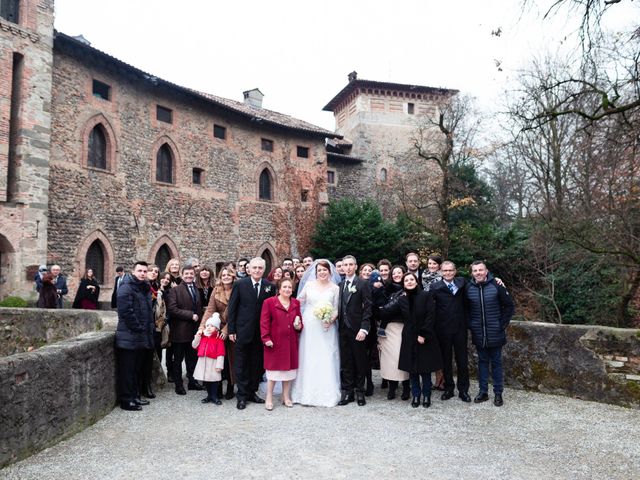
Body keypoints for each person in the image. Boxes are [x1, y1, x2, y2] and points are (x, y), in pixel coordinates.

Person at [383, 272, 442, 408]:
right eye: (406, 281)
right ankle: (416, 395)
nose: (409, 282)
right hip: (409, 337)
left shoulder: (426, 296)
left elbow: (431, 316)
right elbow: (388, 311)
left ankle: (426, 395)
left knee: (425, 369)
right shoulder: (402, 299)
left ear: (416, 281)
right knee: (412, 369)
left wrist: (423, 334)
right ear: (403, 284)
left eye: (411, 279)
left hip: (425, 336)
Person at [291, 259, 342, 407]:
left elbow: (337, 308)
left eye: (325, 270)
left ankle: (327, 393)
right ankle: (304, 392)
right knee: (309, 355)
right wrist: (296, 318)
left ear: (330, 272)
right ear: (315, 272)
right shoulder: (308, 285)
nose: (322, 272)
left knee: (326, 356)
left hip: (326, 327)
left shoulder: (335, 288)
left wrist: (330, 320)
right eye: (319, 270)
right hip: (310, 325)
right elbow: (297, 303)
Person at [227, 257, 276, 410]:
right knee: (241, 364)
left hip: (260, 333)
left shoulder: (269, 287)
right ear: (249, 269)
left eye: (260, 268)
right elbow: (232, 308)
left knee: (256, 364)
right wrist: (232, 330)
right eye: (254, 268)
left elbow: (271, 312)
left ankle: (252, 392)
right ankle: (241, 396)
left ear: (264, 269)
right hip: (242, 331)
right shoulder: (240, 284)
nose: (257, 270)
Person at [466, 260, 515, 407]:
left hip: (495, 331)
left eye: (481, 270)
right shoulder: (468, 288)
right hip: (478, 333)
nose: (478, 273)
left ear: (486, 271)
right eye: (475, 271)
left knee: (496, 363)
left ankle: (498, 393)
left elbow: (509, 306)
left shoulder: (496, 285)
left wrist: (502, 324)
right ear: (472, 273)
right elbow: (465, 309)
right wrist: (471, 324)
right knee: (482, 363)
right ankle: (483, 392)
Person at [115, 261, 154, 411]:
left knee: (136, 369)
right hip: (129, 337)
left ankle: (135, 397)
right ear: (133, 272)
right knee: (127, 370)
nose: (143, 273)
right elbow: (125, 311)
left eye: (145, 271)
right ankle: (126, 400)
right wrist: (138, 328)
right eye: (140, 271)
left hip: (141, 337)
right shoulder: (126, 287)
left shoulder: (144, 288)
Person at [429, 261, 471, 402]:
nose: (448, 273)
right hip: (443, 330)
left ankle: (463, 390)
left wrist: (495, 279)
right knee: (446, 361)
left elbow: (479, 281)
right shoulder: (435, 287)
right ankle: (449, 388)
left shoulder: (462, 283)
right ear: (441, 272)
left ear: (455, 271)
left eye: (450, 270)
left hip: (460, 329)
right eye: (445, 270)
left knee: (462, 361)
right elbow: (429, 308)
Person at [261, 278, 303, 410]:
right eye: (284, 287)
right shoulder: (269, 302)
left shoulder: (296, 303)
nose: (287, 289)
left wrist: (298, 326)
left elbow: (299, 322)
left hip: (290, 342)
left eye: (289, 287)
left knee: (288, 373)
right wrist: (266, 338)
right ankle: (269, 397)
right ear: (279, 289)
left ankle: (286, 396)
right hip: (274, 342)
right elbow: (264, 322)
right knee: (273, 373)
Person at [337, 255, 372, 406]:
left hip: (357, 329)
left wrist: (364, 328)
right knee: (346, 362)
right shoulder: (340, 285)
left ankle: (360, 392)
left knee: (360, 361)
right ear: (342, 267)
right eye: (346, 265)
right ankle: (347, 392)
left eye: (351, 264)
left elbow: (368, 308)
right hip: (343, 329)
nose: (348, 267)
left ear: (356, 266)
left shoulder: (363, 283)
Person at [166, 264, 203, 395]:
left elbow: (199, 309)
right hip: (180, 332)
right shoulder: (175, 291)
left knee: (192, 359)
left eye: (191, 274)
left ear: (194, 275)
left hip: (194, 331)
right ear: (182, 275)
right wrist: (190, 315)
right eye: (186, 273)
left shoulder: (197, 290)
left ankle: (192, 382)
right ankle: (178, 385)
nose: (189, 276)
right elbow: (172, 309)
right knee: (178, 360)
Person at [202, 265, 237, 400]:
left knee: (231, 360)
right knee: (216, 359)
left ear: (233, 276)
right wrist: (202, 328)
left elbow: (239, 312)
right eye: (223, 275)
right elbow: (210, 310)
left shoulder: (238, 289)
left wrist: (227, 329)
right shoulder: (216, 290)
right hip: (218, 328)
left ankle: (230, 386)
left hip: (233, 327)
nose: (226, 277)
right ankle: (215, 389)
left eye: (228, 274)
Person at [377, 265, 410, 401]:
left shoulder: (407, 289)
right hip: (387, 327)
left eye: (399, 273)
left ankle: (406, 386)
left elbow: (387, 309)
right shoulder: (386, 287)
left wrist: (385, 309)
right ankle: (392, 386)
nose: (396, 275)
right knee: (388, 359)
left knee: (401, 356)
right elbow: (379, 307)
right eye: (394, 273)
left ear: (404, 274)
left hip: (401, 325)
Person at [192, 314, 225, 405]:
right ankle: (209, 395)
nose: (209, 328)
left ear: (217, 328)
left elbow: (221, 353)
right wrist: (197, 336)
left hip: (213, 362)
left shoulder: (218, 339)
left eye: (212, 326)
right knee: (206, 380)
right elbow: (194, 345)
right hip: (203, 361)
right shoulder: (203, 337)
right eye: (207, 326)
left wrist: (219, 365)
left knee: (214, 380)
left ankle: (214, 396)